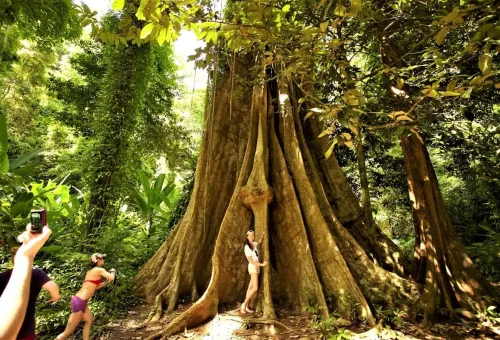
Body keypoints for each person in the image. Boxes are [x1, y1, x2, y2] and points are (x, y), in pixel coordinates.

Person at [0, 224, 52, 340]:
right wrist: (26, 257)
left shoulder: (2, 276)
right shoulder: (36, 273)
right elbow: (53, 288)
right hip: (26, 329)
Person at [55, 253, 116, 340]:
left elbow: (96, 286)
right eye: (103, 258)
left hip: (81, 301)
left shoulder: (90, 271)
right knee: (69, 331)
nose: (104, 260)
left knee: (89, 320)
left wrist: (106, 281)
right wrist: (113, 271)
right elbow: (112, 277)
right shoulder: (98, 270)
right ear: (98, 259)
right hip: (80, 301)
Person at [240, 230, 266, 314]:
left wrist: (262, 236)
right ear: (247, 237)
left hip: (257, 267)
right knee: (255, 288)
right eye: (250, 236)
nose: (251, 237)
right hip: (253, 268)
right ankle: (243, 304)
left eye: (253, 235)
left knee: (250, 287)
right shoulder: (247, 247)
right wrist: (261, 264)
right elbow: (250, 261)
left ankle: (246, 306)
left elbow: (259, 243)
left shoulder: (254, 244)